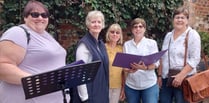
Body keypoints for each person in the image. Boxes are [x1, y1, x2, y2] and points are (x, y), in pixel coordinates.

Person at [0, 0, 67, 103]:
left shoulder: (47, 36)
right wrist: (38, 81)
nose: (40, 18)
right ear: (25, 17)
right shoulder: (18, 33)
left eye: (44, 15)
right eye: (35, 14)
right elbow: (3, 66)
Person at [158, 6, 201, 103]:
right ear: (173, 20)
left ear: (187, 20)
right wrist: (160, 76)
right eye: (177, 17)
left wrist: (180, 76)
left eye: (183, 17)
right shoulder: (168, 36)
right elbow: (163, 56)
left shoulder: (192, 35)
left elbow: (195, 59)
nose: (179, 20)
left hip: (185, 79)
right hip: (167, 78)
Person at [72, 10, 109, 103]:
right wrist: (84, 98)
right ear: (88, 24)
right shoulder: (84, 45)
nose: (96, 24)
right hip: (90, 95)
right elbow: (79, 73)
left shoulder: (100, 44)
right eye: (93, 22)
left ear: (102, 24)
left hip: (101, 92)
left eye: (99, 22)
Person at [123, 18, 159, 103]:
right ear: (132, 30)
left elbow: (157, 64)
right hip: (131, 85)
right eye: (135, 27)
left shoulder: (151, 43)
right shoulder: (127, 45)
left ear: (144, 29)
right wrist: (128, 70)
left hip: (149, 84)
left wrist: (145, 68)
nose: (138, 29)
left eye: (140, 26)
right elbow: (124, 66)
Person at [105, 23, 125, 103]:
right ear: (108, 34)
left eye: (117, 32)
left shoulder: (122, 49)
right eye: (112, 32)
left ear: (120, 35)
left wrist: (123, 88)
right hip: (104, 85)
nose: (115, 34)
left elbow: (123, 71)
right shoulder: (102, 48)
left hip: (117, 85)